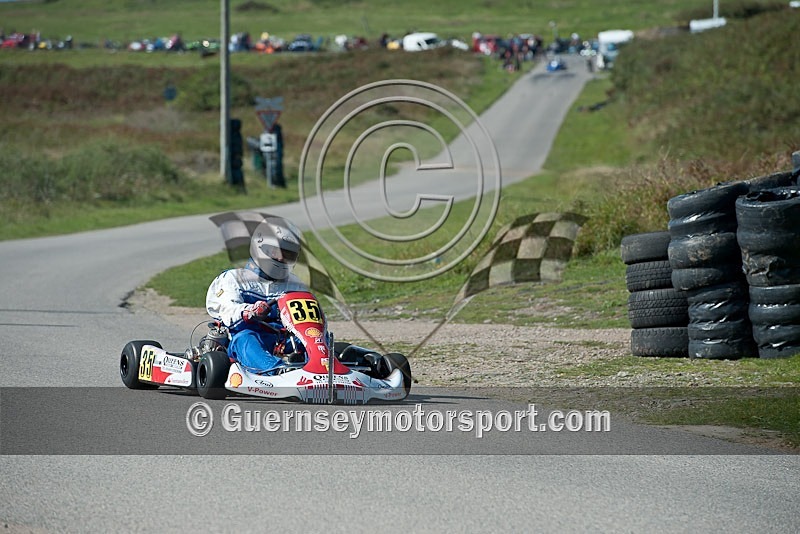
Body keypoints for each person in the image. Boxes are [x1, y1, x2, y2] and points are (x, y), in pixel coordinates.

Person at [205, 217, 308, 373]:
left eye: (287, 254)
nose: (281, 258)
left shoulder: (296, 285)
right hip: (245, 341)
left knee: (311, 338)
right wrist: (249, 311)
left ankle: (329, 369)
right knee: (245, 337)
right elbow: (228, 311)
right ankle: (276, 371)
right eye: (276, 251)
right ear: (260, 248)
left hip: (284, 342)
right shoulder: (235, 279)